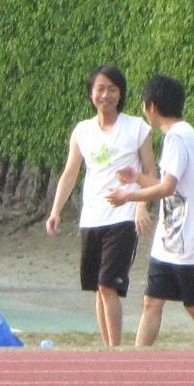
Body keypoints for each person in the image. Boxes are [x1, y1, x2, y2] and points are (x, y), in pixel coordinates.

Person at [107, 72, 194, 348]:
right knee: (152, 301)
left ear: (152, 107)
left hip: (191, 243)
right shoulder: (180, 135)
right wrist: (137, 177)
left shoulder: (178, 138)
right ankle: (138, 359)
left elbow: (167, 188)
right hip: (169, 242)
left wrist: (128, 196)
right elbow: (168, 184)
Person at [42, 65, 155, 348]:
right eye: (100, 89)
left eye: (112, 89)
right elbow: (70, 172)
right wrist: (55, 211)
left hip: (124, 216)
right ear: (91, 93)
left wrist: (142, 206)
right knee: (98, 288)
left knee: (108, 284)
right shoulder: (82, 131)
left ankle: (115, 349)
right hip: (91, 218)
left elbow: (151, 170)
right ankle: (107, 349)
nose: (106, 95)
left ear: (121, 94)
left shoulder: (137, 128)